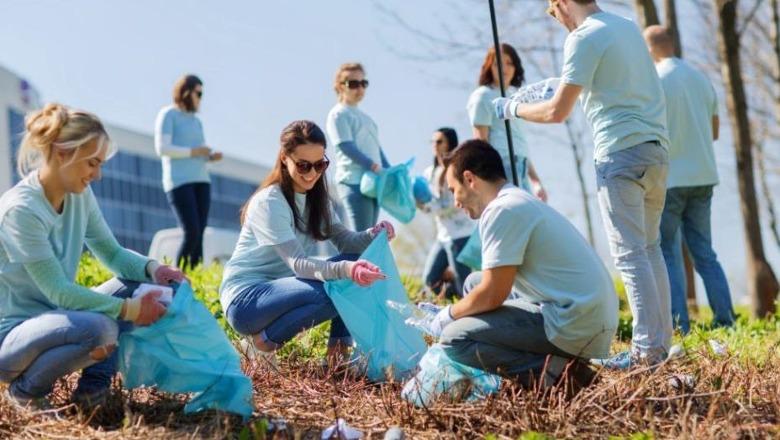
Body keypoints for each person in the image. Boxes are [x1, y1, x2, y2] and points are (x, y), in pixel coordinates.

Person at [495, 0, 672, 369]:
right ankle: (658, 347)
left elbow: (557, 111)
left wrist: (511, 109)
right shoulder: (625, 27)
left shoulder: (583, 37)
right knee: (650, 249)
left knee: (630, 254)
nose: (556, 20)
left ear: (561, 3)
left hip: (619, 153)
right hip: (655, 151)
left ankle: (645, 354)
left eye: (553, 12)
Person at [0, 104, 185, 410]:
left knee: (154, 289)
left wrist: (154, 269)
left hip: (60, 317)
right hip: (11, 338)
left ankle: (91, 394)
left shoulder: (79, 195)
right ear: (62, 153)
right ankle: (26, 392)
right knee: (101, 329)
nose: (97, 175)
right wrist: (129, 309)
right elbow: (58, 290)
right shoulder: (21, 211)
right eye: (91, 164)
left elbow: (111, 253)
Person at [427, 140, 617, 388]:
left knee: (455, 339)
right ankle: (549, 363)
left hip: (574, 321)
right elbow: (487, 287)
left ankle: (559, 375)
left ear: (470, 179)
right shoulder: (515, 200)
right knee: (474, 283)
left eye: (453, 190)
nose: (456, 202)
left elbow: (493, 294)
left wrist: (448, 315)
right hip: (585, 312)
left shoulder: (502, 210)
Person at [220, 120, 394, 364]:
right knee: (340, 283)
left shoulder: (317, 201)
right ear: (284, 158)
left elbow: (345, 243)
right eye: (303, 166)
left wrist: (372, 234)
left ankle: (337, 358)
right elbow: (299, 264)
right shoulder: (271, 202)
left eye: (320, 164)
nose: (312, 174)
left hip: (283, 291)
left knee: (351, 269)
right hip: (246, 301)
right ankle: (261, 342)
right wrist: (346, 271)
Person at [644, 25, 735, 334]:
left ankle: (680, 326)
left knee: (668, 251)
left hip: (670, 178)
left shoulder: (655, 81)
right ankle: (726, 321)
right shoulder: (700, 78)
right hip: (704, 176)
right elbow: (715, 132)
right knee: (704, 253)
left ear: (651, 47)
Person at [155, 74, 223, 269]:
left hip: (201, 180)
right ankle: (179, 277)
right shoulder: (168, 114)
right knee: (191, 231)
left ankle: (195, 279)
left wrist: (209, 156)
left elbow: (199, 150)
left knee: (200, 232)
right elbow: (163, 148)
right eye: (198, 93)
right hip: (179, 182)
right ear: (186, 92)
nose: (200, 98)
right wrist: (194, 151)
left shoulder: (196, 122)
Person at [467, 44, 546, 201]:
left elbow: (519, 143)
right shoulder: (483, 96)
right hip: (501, 166)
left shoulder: (515, 98)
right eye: (498, 63)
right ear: (489, 67)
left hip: (521, 166)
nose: (505, 68)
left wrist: (536, 180)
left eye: (509, 63)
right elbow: (480, 142)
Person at [326, 63, 391, 231]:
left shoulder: (367, 118)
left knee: (369, 237)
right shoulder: (338, 114)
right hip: (353, 181)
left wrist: (389, 170)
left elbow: (377, 149)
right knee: (362, 237)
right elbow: (346, 146)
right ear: (340, 86)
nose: (360, 88)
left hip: (373, 182)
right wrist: (371, 165)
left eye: (363, 83)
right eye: (353, 84)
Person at [419, 128, 474, 299]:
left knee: (464, 282)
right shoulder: (429, 173)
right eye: (433, 142)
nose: (435, 145)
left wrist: (433, 208)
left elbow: (458, 200)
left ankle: (471, 309)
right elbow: (427, 200)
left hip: (460, 234)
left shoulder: (458, 169)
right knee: (430, 279)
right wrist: (419, 204)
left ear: (450, 143)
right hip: (442, 236)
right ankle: (456, 301)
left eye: (439, 141)